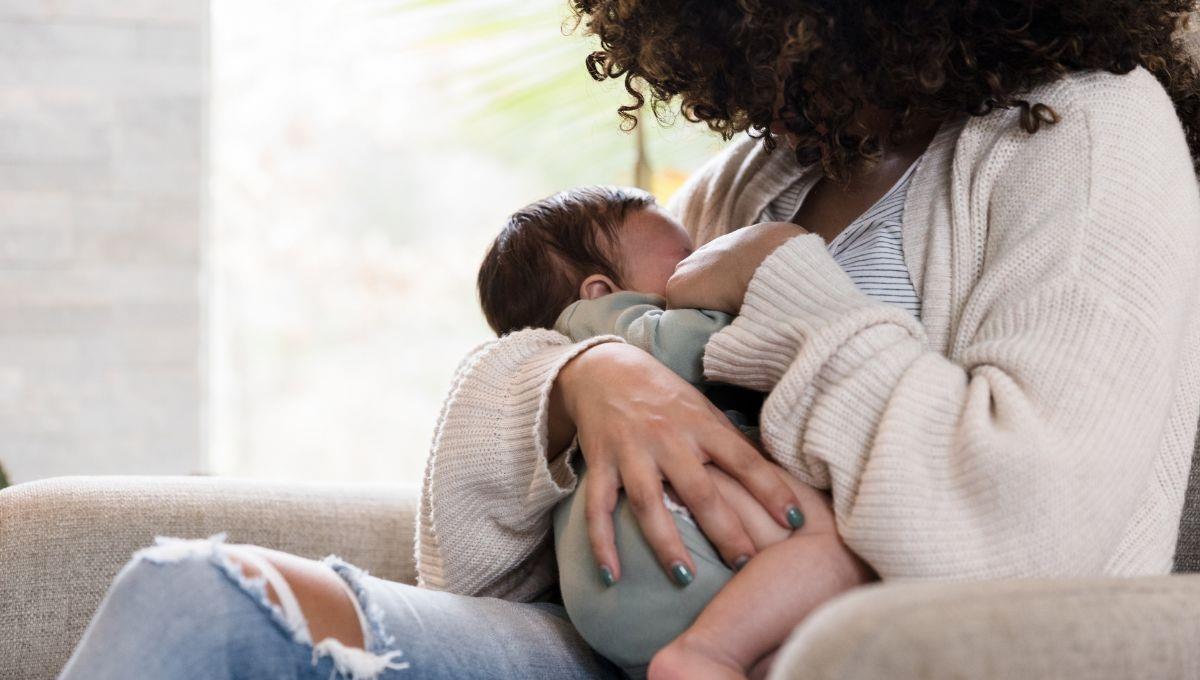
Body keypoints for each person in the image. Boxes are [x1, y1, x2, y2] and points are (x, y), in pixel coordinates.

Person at [59, 3, 1200, 679]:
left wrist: (778, 283)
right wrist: (584, 376)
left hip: (815, 650)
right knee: (193, 596)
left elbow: (1029, 529)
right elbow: (464, 546)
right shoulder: (775, 164)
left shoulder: (1089, 127)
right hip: (618, 640)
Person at [474, 185, 875, 677]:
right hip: (662, 545)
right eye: (687, 259)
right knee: (840, 549)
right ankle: (707, 651)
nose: (701, 266)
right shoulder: (604, 323)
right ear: (599, 291)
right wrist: (754, 280)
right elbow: (700, 345)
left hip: (610, 593)